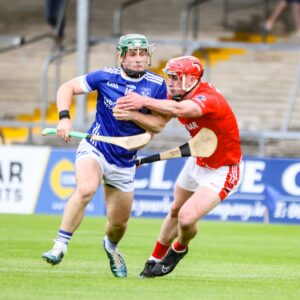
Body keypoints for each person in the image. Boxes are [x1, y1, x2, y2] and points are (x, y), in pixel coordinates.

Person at [42, 33, 168, 278]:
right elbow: (66, 87)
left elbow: (159, 125)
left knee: (118, 224)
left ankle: (111, 247)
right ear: (121, 56)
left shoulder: (157, 85)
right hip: (95, 147)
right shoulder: (105, 76)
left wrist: (133, 116)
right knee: (86, 189)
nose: (138, 59)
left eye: (142, 54)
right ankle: (59, 246)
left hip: (125, 160)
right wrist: (64, 118)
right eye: (132, 54)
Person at [115, 55, 244, 277]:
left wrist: (143, 102)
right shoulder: (175, 96)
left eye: (175, 78)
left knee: (186, 218)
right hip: (198, 160)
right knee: (175, 210)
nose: (170, 82)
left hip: (223, 168)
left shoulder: (208, 98)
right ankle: (153, 259)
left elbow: (183, 111)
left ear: (190, 80)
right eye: (169, 77)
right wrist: (133, 122)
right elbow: (158, 123)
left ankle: (179, 249)